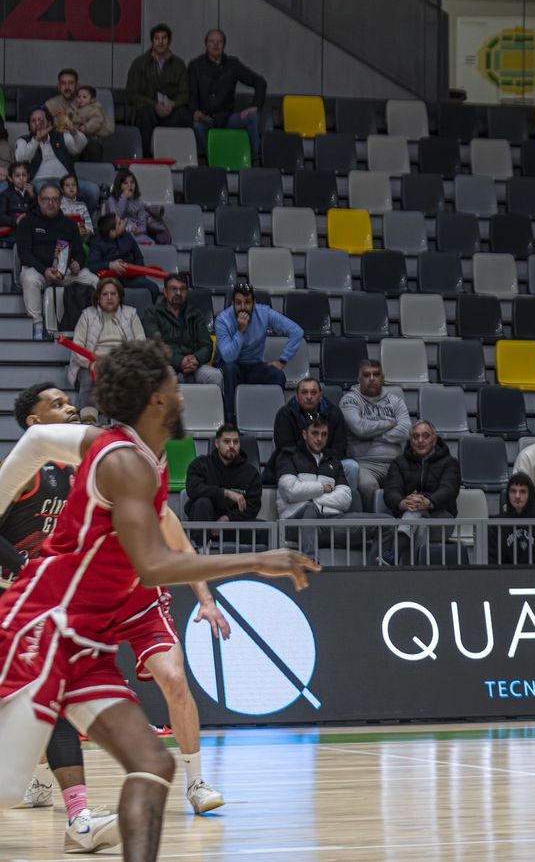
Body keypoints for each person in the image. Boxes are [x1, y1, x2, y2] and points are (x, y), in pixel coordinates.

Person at [0, 339, 316, 862]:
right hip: (47, 622)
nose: (183, 396)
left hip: (90, 638)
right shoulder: (125, 463)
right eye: (175, 387)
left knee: (154, 764)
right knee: (10, 787)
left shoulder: (131, 450)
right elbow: (152, 566)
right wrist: (258, 559)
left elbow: (35, 443)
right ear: (155, 400)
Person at [0, 385, 119, 851]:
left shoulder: (78, 472)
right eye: (57, 404)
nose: (71, 408)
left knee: (55, 701)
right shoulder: (22, 469)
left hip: (35, 610)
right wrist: (23, 568)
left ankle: (78, 818)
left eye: (70, 402)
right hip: (8, 597)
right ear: (33, 423)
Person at [15, 181, 98, 339]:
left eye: (55, 199)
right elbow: (24, 254)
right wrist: (44, 270)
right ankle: (37, 328)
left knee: (94, 280)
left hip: (65, 272)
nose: (50, 203)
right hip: (39, 271)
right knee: (29, 278)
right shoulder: (27, 222)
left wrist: (78, 263)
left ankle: (98, 325)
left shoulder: (70, 224)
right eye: (46, 199)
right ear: (39, 200)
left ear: (60, 201)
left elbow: (80, 252)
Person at [214, 283, 303, 422]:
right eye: (238, 303)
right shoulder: (222, 320)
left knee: (278, 375)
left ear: (254, 303)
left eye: (247, 302)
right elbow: (228, 357)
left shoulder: (264, 313)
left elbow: (297, 331)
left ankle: (272, 420)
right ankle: (230, 422)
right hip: (229, 365)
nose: (243, 307)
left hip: (254, 366)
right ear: (233, 304)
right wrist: (240, 331)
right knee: (230, 370)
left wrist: (282, 360)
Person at [382, 421, 462, 564]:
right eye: (416, 436)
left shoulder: (450, 462)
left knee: (415, 513)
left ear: (434, 439)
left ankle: (395, 554)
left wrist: (428, 502)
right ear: (410, 440)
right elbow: (391, 491)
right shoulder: (398, 463)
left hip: (441, 521)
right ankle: (418, 569)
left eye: (425, 436)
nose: (420, 440)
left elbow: (449, 490)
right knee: (418, 522)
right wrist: (402, 503)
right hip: (406, 518)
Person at [340, 360, 412, 513]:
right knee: (368, 486)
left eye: (376, 374)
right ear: (359, 379)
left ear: (383, 378)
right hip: (364, 463)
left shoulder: (395, 401)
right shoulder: (350, 400)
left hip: (395, 462)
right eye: (367, 375)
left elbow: (406, 430)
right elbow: (359, 428)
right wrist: (388, 424)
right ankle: (371, 524)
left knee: (414, 482)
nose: (372, 378)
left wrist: (371, 435)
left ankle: (401, 524)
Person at [188, 28, 266, 156]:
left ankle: (253, 159)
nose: (215, 45)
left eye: (219, 41)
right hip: (205, 118)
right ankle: (215, 157)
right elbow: (191, 95)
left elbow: (260, 82)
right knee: (195, 126)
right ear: (206, 44)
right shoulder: (195, 66)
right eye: (212, 41)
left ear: (224, 44)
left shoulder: (232, 64)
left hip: (227, 118)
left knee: (253, 117)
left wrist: (255, 106)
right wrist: (195, 111)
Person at [70, 277, 145, 405]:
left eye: (113, 294)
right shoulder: (87, 315)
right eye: (105, 294)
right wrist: (91, 364)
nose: (109, 298)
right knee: (88, 378)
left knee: (131, 378)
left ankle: (124, 416)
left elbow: (141, 343)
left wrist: (126, 362)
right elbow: (77, 346)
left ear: (119, 297)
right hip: (91, 363)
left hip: (123, 362)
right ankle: (88, 415)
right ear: (98, 297)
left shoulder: (131, 314)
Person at [141, 274, 222, 387]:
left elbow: (207, 344)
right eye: (174, 289)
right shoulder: (152, 313)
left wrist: (196, 359)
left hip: (193, 364)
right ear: (165, 292)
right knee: (164, 377)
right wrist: (180, 361)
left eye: (182, 289)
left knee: (215, 376)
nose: (178, 293)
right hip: (166, 365)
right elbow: (156, 346)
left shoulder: (195, 313)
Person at [14, 108, 99, 212]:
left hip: (66, 181)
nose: (37, 123)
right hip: (39, 181)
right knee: (46, 191)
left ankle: (83, 219)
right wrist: (36, 140)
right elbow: (21, 158)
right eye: (33, 121)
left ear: (49, 123)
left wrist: (73, 131)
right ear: (29, 126)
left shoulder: (60, 136)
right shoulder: (23, 140)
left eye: (40, 120)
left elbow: (80, 146)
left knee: (93, 190)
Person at [275, 415, 354, 525]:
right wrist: (322, 488)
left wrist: (311, 498)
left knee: (375, 521)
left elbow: (345, 499)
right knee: (310, 509)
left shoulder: (333, 460)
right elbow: (290, 492)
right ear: (305, 434)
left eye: (324, 434)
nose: (319, 439)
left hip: (331, 519)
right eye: (315, 433)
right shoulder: (288, 456)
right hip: (295, 520)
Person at [126, 23, 190, 156]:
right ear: (152, 41)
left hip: (171, 109)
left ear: (169, 41)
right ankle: (146, 158)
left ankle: (175, 156)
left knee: (183, 115)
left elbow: (184, 94)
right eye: (157, 38)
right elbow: (132, 93)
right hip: (148, 109)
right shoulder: (139, 63)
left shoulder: (179, 64)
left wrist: (172, 105)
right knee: (145, 114)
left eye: (164, 38)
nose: (160, 42)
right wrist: (154, 105)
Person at [184, 423, 262, 526]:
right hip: (205, 523)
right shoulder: (200, 464)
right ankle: (202, 537)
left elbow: (253, 507)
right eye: (226, 441)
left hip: (235, 525)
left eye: (236, 442)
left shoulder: (251, 473)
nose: (232, 446)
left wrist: (227, 518)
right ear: (217, 443)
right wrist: (225, 493)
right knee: (202, 503)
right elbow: (193, 489)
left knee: (264, 529)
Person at [87, 214, 162, 300]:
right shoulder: (97, 242)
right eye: (120, 223)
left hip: (132, 277)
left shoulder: (128, 236)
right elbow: (93, 265)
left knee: (154, 288)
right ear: (112, 232)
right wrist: (110, 265)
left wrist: (140, 276)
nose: (123, 222)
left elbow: (138, 257)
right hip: (110, 279)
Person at [42, 69, 105, 163]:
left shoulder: (86, 101)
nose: (67, 87)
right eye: (63, 83)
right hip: (61, 140)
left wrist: (80, 128)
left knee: (92, 144)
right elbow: (46, 127)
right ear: (58, 86)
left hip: (86, 141)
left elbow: (97, 121)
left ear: (77, 86)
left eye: (71, 83)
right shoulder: (50, 105)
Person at [102, 170, 170, 246]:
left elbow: (143, 225)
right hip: (119, 234)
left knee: (151, 243)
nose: (130, 185)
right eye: (125, 183)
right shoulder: (112, 200)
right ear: (119, 185)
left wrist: (138, 230)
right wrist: (124, 197)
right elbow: (116, 217)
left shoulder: (138, 201)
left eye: (132, 182)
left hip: (135, 234)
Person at [492, 473, 535, 565]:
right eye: (513, 491)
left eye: (523, 491)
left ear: (530, 494)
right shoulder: (496, 524)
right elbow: (492, 562)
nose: (517, 496)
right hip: (505, 574)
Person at [0, 159, 35, 231]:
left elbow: (38, 210)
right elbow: (1, 216)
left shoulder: (32, 191)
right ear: (10, 178)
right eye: (17, 175)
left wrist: (32, 196)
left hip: (31, 226)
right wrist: (16, 221)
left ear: (28, 177)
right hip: (14, 229)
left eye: (24, 175)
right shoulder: (5, 195)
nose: (21, 178)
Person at [58, 174, 90, 239]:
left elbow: (89, 226)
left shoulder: (82, 206)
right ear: (62, 190)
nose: (71, 187)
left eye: (73, 185)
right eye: (67, 185)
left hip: (79, 238)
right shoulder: (58, 205)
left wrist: (85, 231)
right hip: (62, 238)